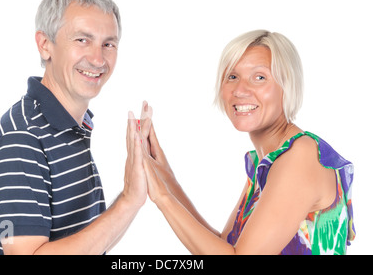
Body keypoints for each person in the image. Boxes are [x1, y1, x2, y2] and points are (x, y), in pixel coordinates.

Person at [140, 30, 355, 254]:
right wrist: (166, 179)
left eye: (259, 77)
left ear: (287, 86)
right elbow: (225, 246)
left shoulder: (301, 156)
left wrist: (161, 197)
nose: (240, 90)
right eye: (232, 76)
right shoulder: (268, 161)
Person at [0, 0, 148, 255]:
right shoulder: (21, 139)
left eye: (108, 44)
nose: (97, 58)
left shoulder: (72, 126)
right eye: (82, 40)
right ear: (45, 45)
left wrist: (136, 194)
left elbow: (91, 243)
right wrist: (127, 200)